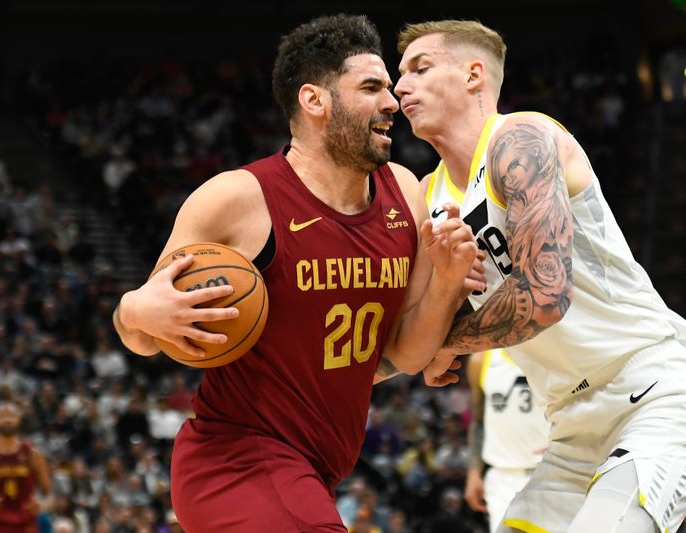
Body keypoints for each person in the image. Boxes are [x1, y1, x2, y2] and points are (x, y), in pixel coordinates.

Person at [112, 14, 479, 532]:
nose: (392, 101)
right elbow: (142, 336)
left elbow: (404, 353)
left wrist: (445, 282)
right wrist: (132, 309)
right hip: (236, 460)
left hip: (316, 469)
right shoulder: (237, 199)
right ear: (315, 101)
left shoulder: (405, 191)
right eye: (371, 87)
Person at [395, 20, 686, 533]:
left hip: (655, 395)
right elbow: (405, 342)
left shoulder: (521, 140)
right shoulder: (429, 198)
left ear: (473, 75)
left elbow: (546, 297)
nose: (401, 86)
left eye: (420, 68)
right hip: (572, 432)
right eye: (400, 74)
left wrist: (447, 341)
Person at [463, 350, 549, 533]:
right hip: (503, 477)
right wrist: (473, 472)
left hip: (551, 472)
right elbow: (478, 420)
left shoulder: (552, 354)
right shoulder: (481, 360)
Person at [0, 400, 53, 533]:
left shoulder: (33, 455)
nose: (8, 420)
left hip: (27, 527)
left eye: (12, 415)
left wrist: (43, 504)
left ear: (19, 419)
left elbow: (50, 496)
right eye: (3, 416)